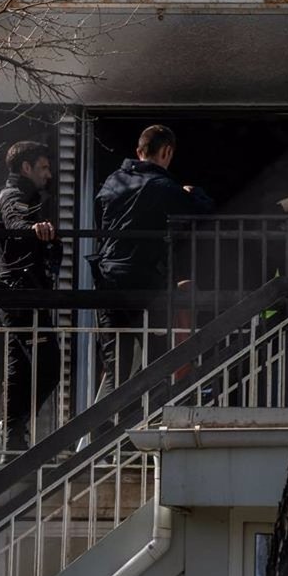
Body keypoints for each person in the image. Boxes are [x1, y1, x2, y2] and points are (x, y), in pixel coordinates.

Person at [89, 125, 213, 398]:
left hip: (107, 279)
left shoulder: (113, 181)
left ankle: (109, 423)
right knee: (159, 360)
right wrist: (193, 192)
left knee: (116, 367)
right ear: (167, 152)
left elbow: (101, 221)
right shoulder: (162, 186)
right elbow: (202, 213)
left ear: (139, 151)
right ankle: (153, 416)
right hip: (144, 283)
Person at [0, 140, 63, 454]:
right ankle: (12, 428)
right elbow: (17, 224)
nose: (48, 174)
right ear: (26, 167)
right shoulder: (15, 196)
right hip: (21, 291)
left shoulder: (5, 196)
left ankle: (13, 433)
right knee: (48, 365)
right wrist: (37, 229)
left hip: (16, 291)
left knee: (21, 365)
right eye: (43, 167)